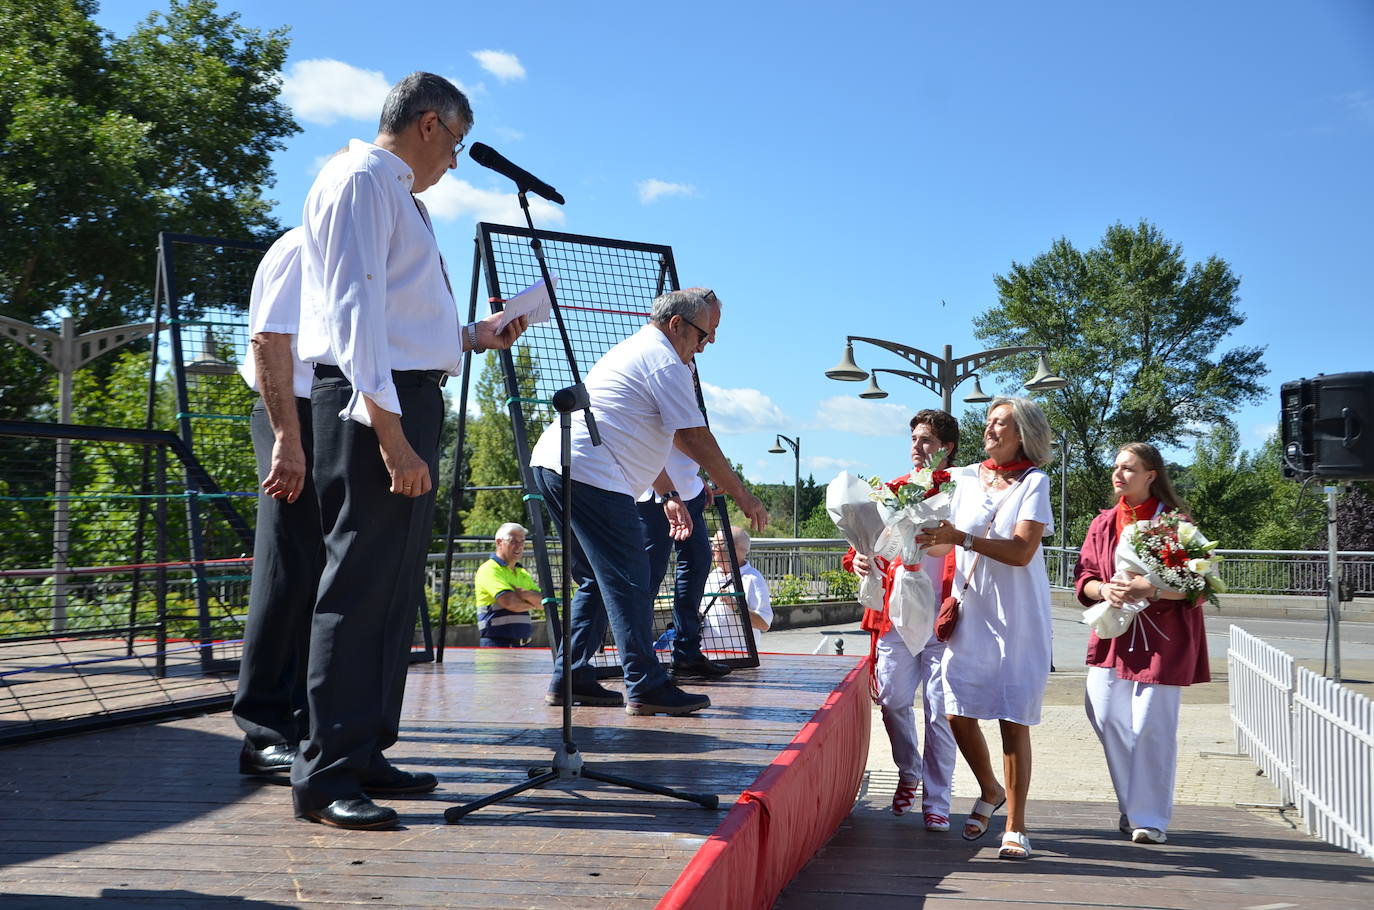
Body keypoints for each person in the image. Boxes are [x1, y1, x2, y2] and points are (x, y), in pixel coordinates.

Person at [292, 72, 528, 830]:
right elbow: (357, 315)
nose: (455, 160)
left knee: (391, 593)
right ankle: (327, 773)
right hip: (375, 407)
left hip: (401, 393)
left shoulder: (395, 192)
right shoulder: (364, 178)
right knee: (356, 588)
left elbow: (394, 318)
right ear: (429, 124)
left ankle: (361, 751)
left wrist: (471, 338)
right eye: (455, 143)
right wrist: (390, 436)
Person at [528, 288, 768, 716]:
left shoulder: (635, 352)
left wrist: (668, 491)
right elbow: (694, 437)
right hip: (591, 475)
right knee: (631, 578)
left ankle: (573, 675)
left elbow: (651, 436)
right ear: (676, 324)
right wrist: (743, 494)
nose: (706, 345)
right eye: (703, 335)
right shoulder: (665, 362)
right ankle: (645, 684)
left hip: (559, 465)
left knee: (597, 582)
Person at [918, 396, 1055, 860]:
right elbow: (931, 533)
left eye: (1001, 424)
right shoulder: (960, 478)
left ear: (1023, 435)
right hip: (972, 611)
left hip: (1017, 615)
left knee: (1013, 718)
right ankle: (990, 788)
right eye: (990, 423)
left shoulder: (1034, 482)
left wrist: (963, 538)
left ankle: (1016, 826)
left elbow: (1021, 552)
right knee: (956, 709)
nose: (990, 430)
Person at [1074, 442, 1209, 845]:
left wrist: (1150, 587)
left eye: (1129, 469)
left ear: (1151, 475)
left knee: (1152, 725)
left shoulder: (1178, 524)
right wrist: (1105, 591)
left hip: (1163, 639)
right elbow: (1084, 578)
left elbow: (1199, 585)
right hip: (1113, 634)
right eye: (1116, 467)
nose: (1119, 475)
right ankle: (1132, 804)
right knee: (1104, 714)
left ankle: (1148, 819)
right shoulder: (1102, 523)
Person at [232, 227, 322, 778]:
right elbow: (268, 340)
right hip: (291, 413)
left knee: (319, 575)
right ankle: (261, 730)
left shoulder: (353, 251)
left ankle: (308, 723)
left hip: (335, 413)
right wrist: (287, 437)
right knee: (285, 566)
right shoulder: (299, 248)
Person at [843, 409, 959, 831]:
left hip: (945, 624)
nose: (916, 446)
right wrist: (857, 557)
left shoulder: (962, 494)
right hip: (895, 620)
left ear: (945, 448)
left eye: (925, 440)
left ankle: (938, 800)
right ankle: (908, 770)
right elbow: (867, 546)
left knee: (939, 713)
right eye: (913, 439)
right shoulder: (892, 492)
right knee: (892, 701)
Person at [701, 525, 772, 652]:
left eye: (716, 545)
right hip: (707, 659)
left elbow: (764, 624)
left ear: (730, 549)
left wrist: (736, 606)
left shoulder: (753, 578)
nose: (712, 549)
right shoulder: (712, 576)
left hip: (740, 661)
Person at [474, 523, 542, 647]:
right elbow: (510, 602)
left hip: (524, 645)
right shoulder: (489, 569)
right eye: (513, 541)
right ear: (499, 542)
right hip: (496, 644)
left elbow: (542, 602)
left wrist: (524, 593)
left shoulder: (522, 572)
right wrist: (532, 602)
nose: (519, 546)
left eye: (522, 541)